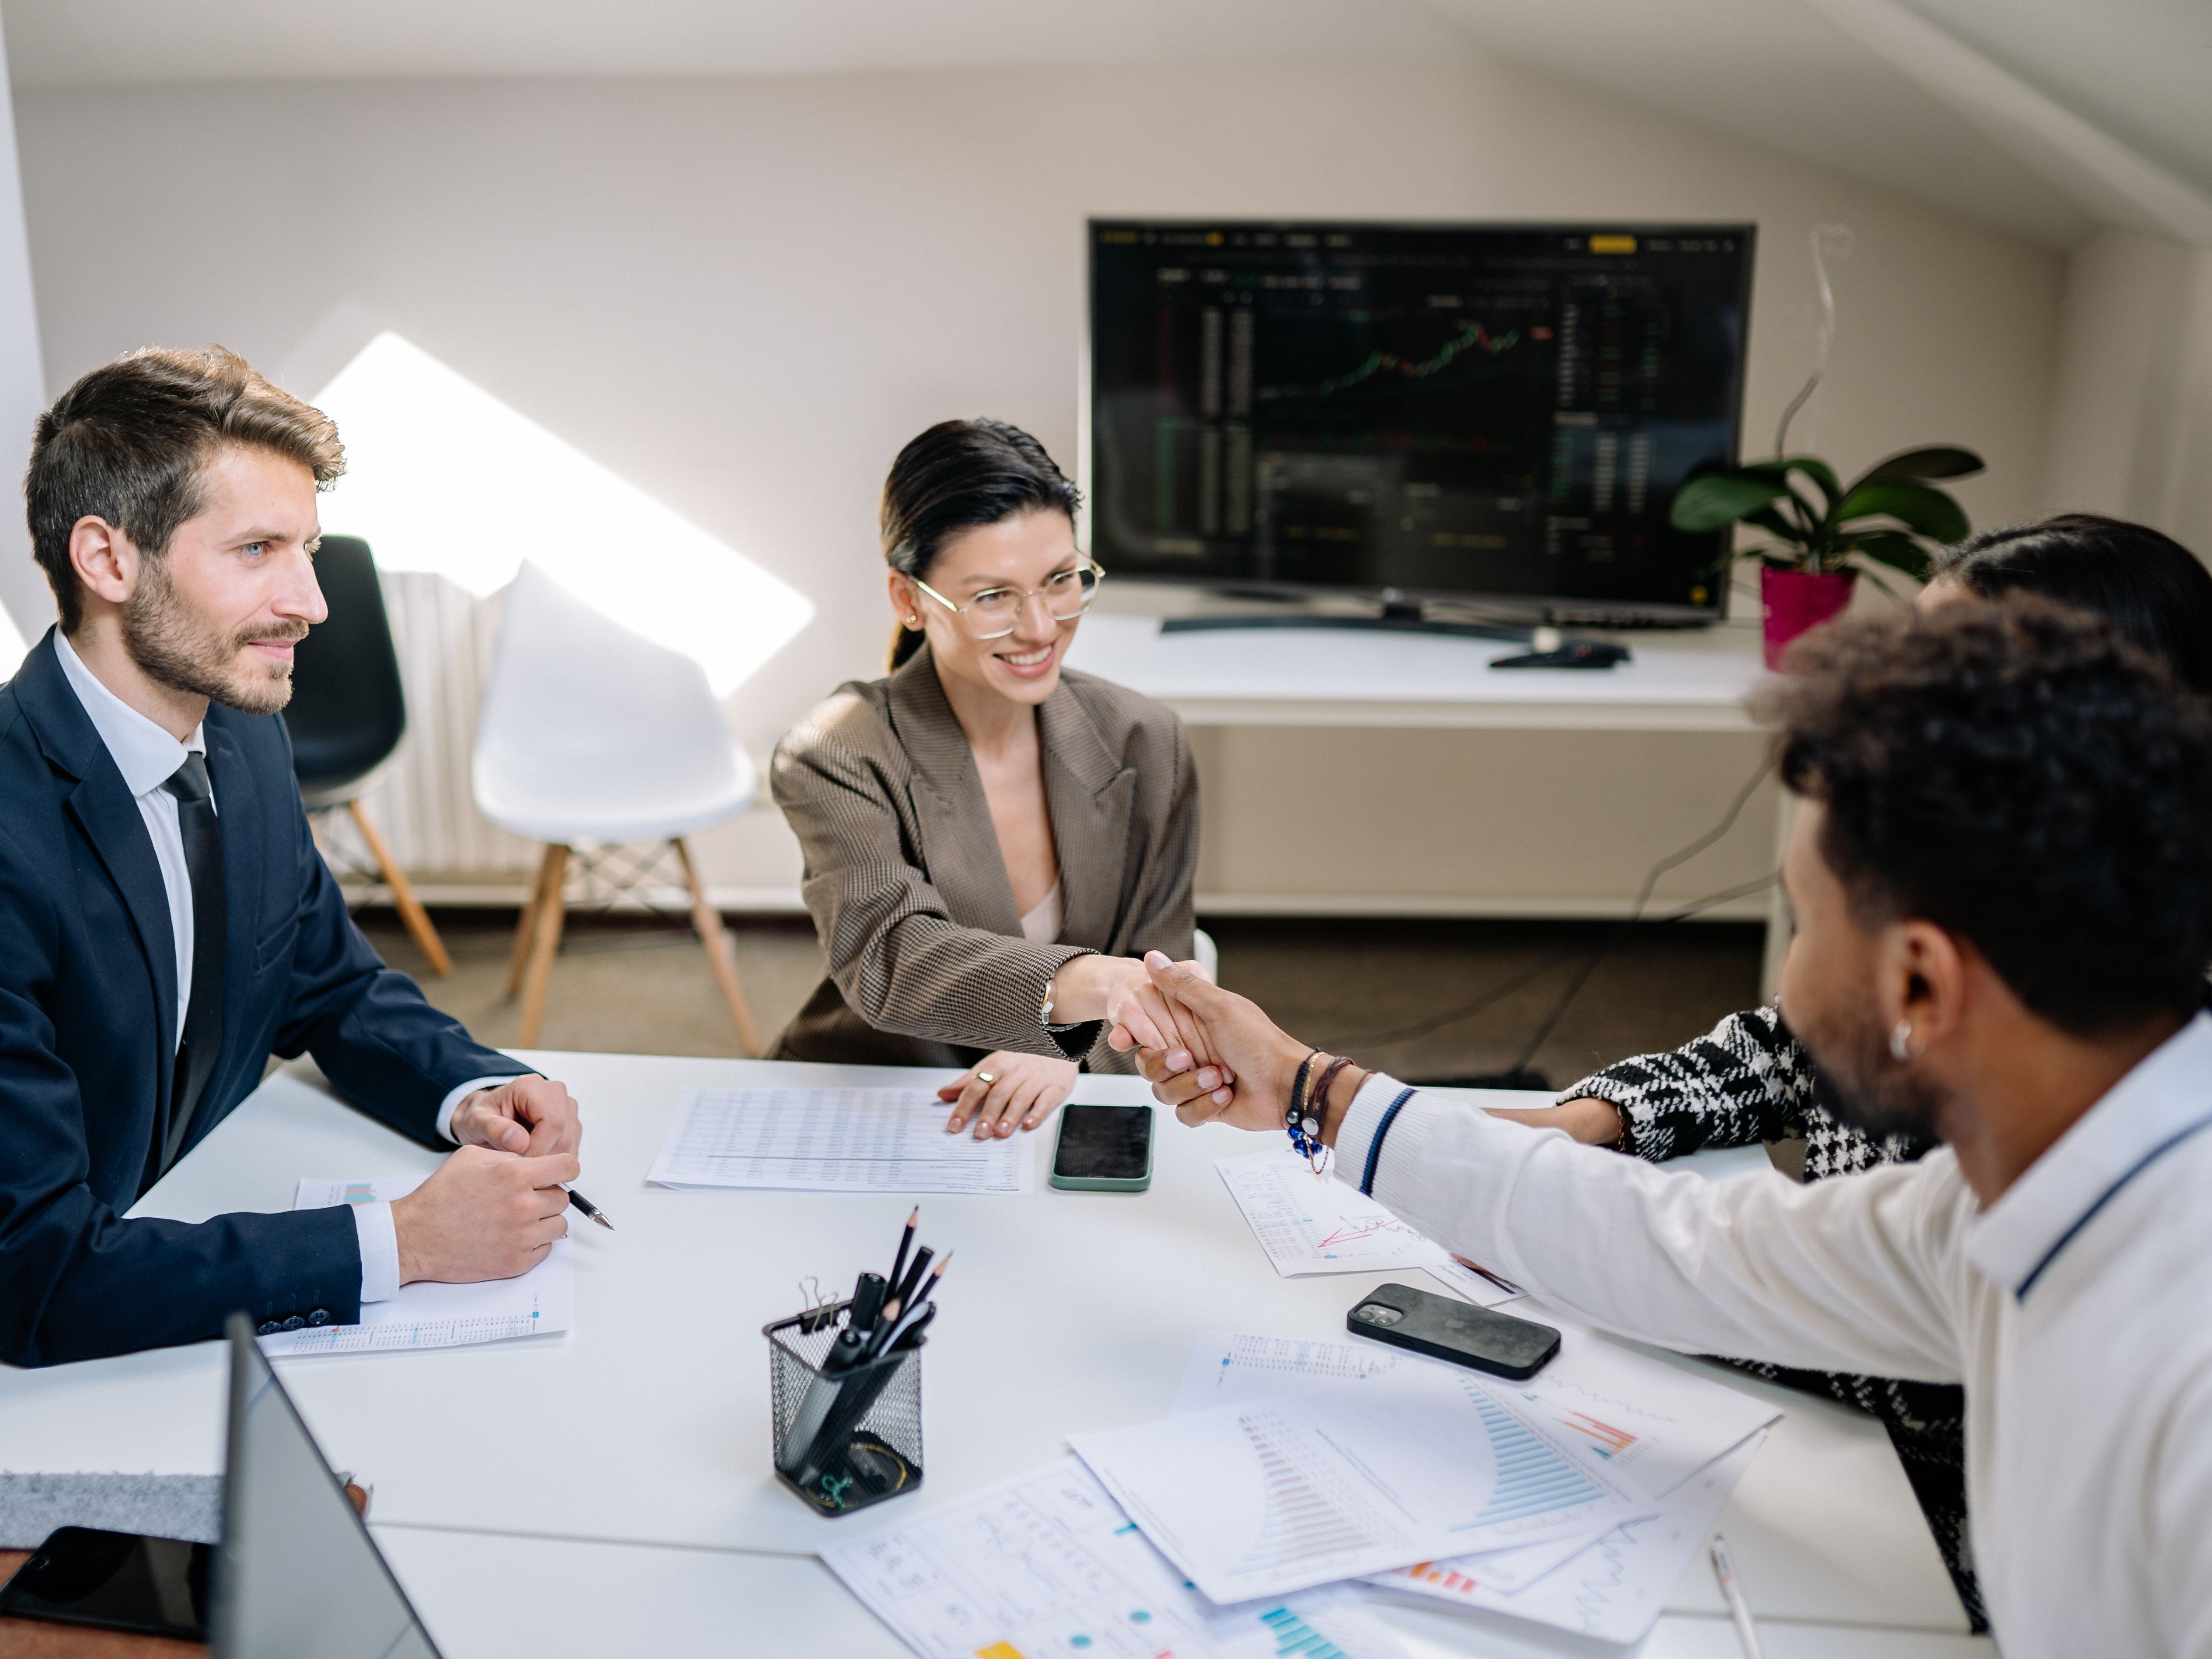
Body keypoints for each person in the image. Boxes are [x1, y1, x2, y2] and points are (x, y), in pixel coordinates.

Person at [1129, 598, 2212, 1656]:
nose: (1782, 982)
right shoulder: (2000, 1192)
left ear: (1918, 983)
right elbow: (1676, 1251)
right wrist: (1307, 1088)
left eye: (1800, 922)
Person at [1484, 513, 2212, 1625]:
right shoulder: (2062, 1060)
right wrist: (1597, 1120)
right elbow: (1778, 1078)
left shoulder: (2037, 1187)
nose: (1889, 719)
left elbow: (1843, 1318)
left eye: (1937, 691)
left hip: (1914, 1532)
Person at [0, 346, 587, 1368]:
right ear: (107, 561)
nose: (312, 603)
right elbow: (35, 1271)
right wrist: (405, 1243)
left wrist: (470, 1092)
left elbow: (326, 982)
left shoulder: (240, 733)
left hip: (199, 1253)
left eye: (307, 549)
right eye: (259, 550)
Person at [769, 418, 1211, 1139]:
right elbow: (893, 957)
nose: (1040, 627)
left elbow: (1163, 965)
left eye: (1061, 581)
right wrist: (1088, 990)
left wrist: (1073, 1052)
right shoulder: (838, 751)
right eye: (993, 597)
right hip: (886, 1103)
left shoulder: (1146, 740)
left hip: (1061, 1111)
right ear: (909, 600)